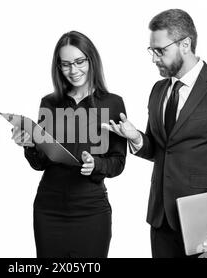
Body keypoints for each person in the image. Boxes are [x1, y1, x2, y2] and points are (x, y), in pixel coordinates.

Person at [103, 9, 207, 258]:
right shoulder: (159, 90)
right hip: (161, 220)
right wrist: (137, 138)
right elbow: (161, 150)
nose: (154, 58)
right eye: (151, 50)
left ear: (185, 44)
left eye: (160, 50)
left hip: (206, 225)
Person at [11, 31, 127, 258]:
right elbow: (40, 163)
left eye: (79, 61)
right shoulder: (50, 102)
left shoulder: (113, 103)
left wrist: (96, 165)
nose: (73, 71)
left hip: (92, 210)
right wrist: (30, 145)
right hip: (49, 209)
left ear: (91, 60)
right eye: (65, 65)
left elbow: (118, 162)